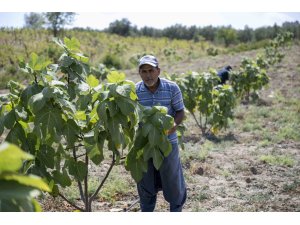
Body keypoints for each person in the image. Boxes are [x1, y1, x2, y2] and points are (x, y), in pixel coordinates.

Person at [135, 55, 187, 212]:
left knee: (172, 180)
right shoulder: (135, 91)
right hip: (144, 144)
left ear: (158, 71)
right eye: (144, 71)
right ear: (140, 73)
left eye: (151, 70)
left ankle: (176, 211)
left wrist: (174, 125)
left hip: (167, 142)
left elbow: (180, 111)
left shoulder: (172, 88)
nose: (148, 75)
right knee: (145, 181)